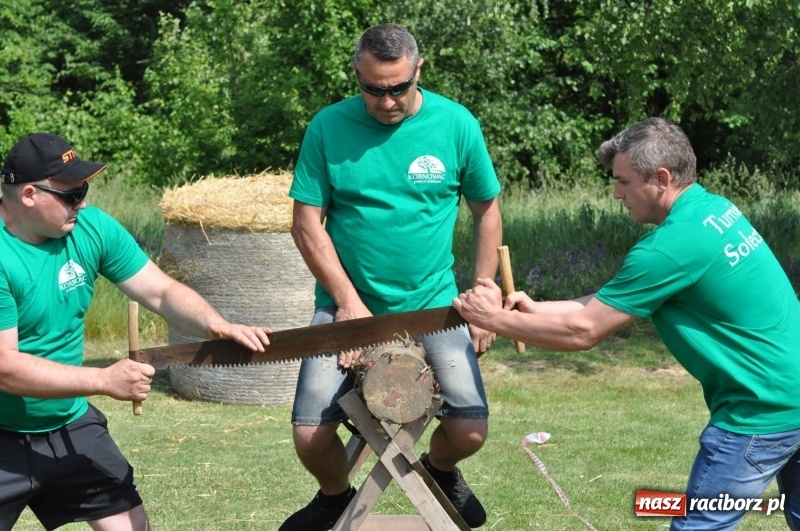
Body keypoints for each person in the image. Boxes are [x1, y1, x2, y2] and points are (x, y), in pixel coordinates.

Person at [453, 117, 800, 530]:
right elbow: (609, 302)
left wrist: (491, 319)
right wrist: (535, 308)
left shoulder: (668, 248)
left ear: (661, 178)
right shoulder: (714, 210)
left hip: (761, 412)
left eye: (623, 182)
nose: (617, 194)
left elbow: (584, 331)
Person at [281, 23, 502, 530]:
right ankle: (336, 497)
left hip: (434, 305)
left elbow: (486, 210)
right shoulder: (327, 127)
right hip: (347, 305)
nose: (386, 101)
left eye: (398, 88)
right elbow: (305, 224)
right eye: (373, 89)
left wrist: (484, 293)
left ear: (418, 71)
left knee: (469, 430)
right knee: (309, 433)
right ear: (357, 75)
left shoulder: (456, 124)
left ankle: (440, 471)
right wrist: (347, 301)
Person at [0, 133, 273, 531]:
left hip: (69, 422)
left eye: (85, 190)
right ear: (28, 195)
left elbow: (161, 292)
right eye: (72, 194)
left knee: (131, 526)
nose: (84, 203)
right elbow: (5, 367)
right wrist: (103, 379)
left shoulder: (89, 228)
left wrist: (216, 324)